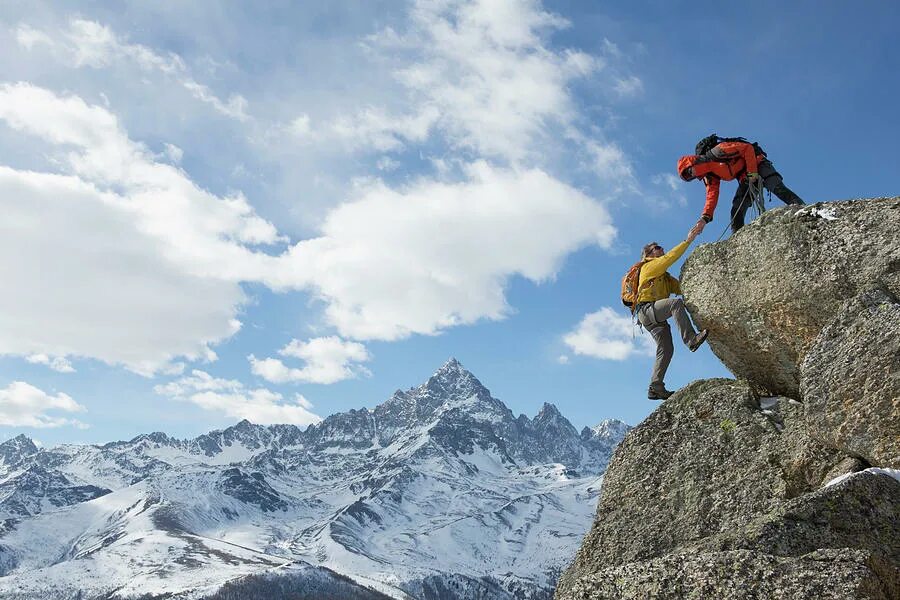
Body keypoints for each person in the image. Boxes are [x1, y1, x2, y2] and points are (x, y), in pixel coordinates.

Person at [635, 227, 708, 400]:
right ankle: (691, 340)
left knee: (666, 348)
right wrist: (688, 240)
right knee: (675, 303)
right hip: (647, 310)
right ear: (650, 254)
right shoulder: (649, 267)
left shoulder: (665, 278)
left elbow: (683, 288)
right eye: (657, 248)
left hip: (652, 316)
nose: (662, 249)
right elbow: (669, 258)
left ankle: (655, 387)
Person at [677, 135, 804, 234]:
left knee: (777, 188)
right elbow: (711, 196)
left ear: (692, 163)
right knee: (737, 209)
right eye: (689, 177)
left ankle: (804, 210)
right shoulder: (710, 176)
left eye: (689, 172)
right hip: (746, 177)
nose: (692, 175)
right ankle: (737, 241)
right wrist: (704, 219)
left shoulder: (718, 151)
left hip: (758, 163)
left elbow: (747, 149)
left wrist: (752, 173)